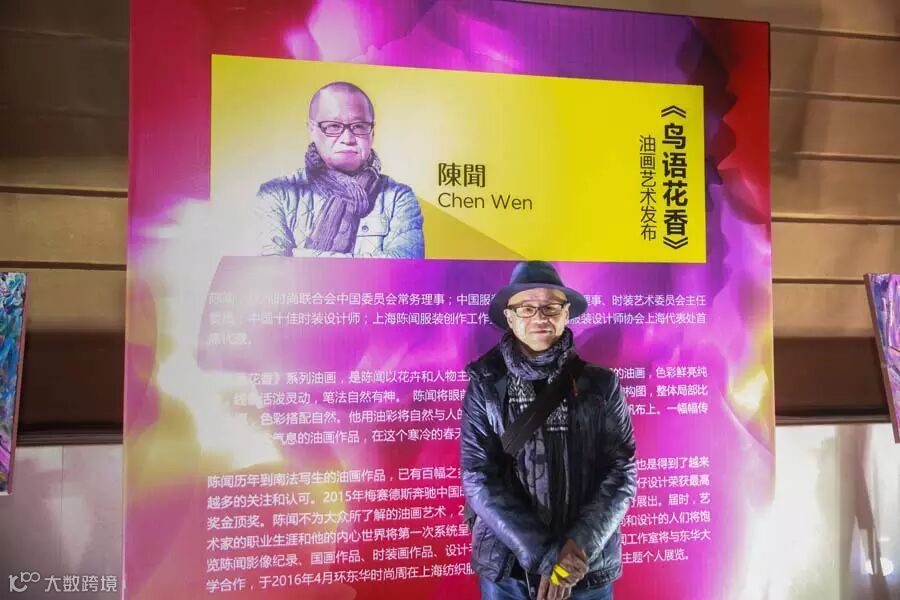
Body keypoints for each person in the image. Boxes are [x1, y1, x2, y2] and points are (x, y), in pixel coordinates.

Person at [461, 261, 637, 600]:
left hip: (585, 567)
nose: (539, 317)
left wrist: (576, 548)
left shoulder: (601, 385)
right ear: (510, 317)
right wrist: (547, 555)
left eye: (550, 307)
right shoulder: (485, 385)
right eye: (526, 308)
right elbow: (477, 477)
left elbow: (621, 472)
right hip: (508, 572)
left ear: (565, 313)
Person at [255, 81, 425, 258]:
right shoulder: (276, 194)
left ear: (372, 133)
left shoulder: (398, 197)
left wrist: (300, 257)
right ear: (312, 130)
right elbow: (272, 271)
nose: (348, 138)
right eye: (333, 126)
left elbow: (404, 271)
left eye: (359, 126)